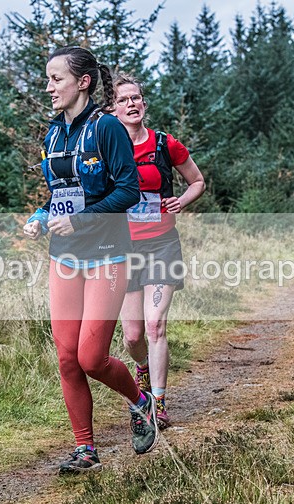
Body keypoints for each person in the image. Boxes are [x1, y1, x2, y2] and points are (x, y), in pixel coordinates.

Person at [23, 47, 160, 474]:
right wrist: (41, 216)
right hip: (64, 257)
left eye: (56, 79)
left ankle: (142, 403)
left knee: (91, 357)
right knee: (66, 358)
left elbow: (128, 192)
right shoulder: (52, 133)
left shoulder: (107, 129)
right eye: (47, 79)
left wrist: (79, 221)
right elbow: (57, 196)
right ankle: (86, 450)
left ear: (82, 82)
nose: (49, 87)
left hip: (107, 254)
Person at [113, 74, 206, 430]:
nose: (132, 104)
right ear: (114, 109)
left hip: (161, 245)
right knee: (133, 336)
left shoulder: (166, 144)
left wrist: (180, 200)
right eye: (124, 100)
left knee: (155, 325)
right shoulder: (108, 150)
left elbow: (197, 181)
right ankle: (142, 369)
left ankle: (158, 403)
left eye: (136, 98)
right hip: (123, 247)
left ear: (144, 105)